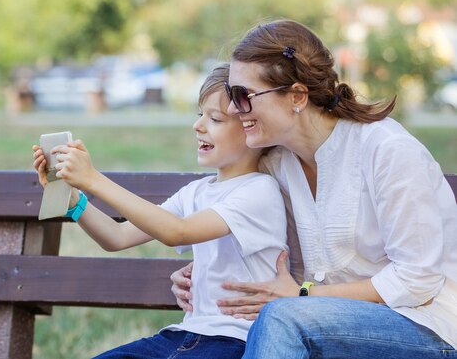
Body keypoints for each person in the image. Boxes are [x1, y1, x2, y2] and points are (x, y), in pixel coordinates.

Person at [171, 19, 457, 358]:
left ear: (297, 96)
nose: (233, 109)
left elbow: (417, 282)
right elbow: (265, 250)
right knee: (283, 317)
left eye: (243, 95)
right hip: (321, 324)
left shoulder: (387, 150)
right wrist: (203, 274)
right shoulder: (277, 163)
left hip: (425, 329)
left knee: (283, 318)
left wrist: (304, 296)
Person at [32, 64, 290, 358]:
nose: (198, 125)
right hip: (183, 335)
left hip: (234, 341)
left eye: (215, 119)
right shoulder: (195, 192)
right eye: (200, 115)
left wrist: (94, 179)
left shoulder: (259, 190)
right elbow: (116, 237)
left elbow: (177, 232)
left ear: (250, 127)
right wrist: (73, 199)